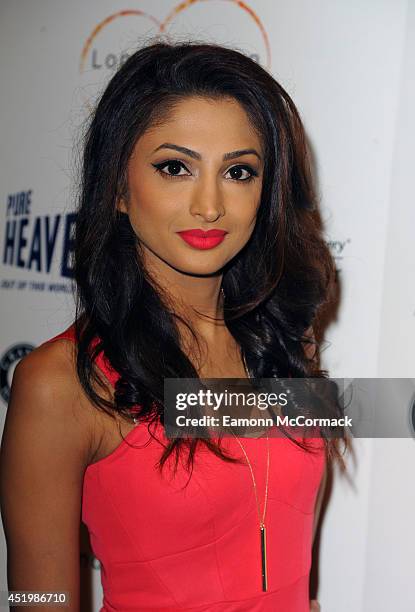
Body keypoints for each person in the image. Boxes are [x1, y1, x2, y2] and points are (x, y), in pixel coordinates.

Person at [0, 41, 348, 611]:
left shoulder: (285, 340)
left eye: (238, 172)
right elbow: (39, 598)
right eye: (174, 168)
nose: (209, 205)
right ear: (116, 185)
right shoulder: (62, 383)